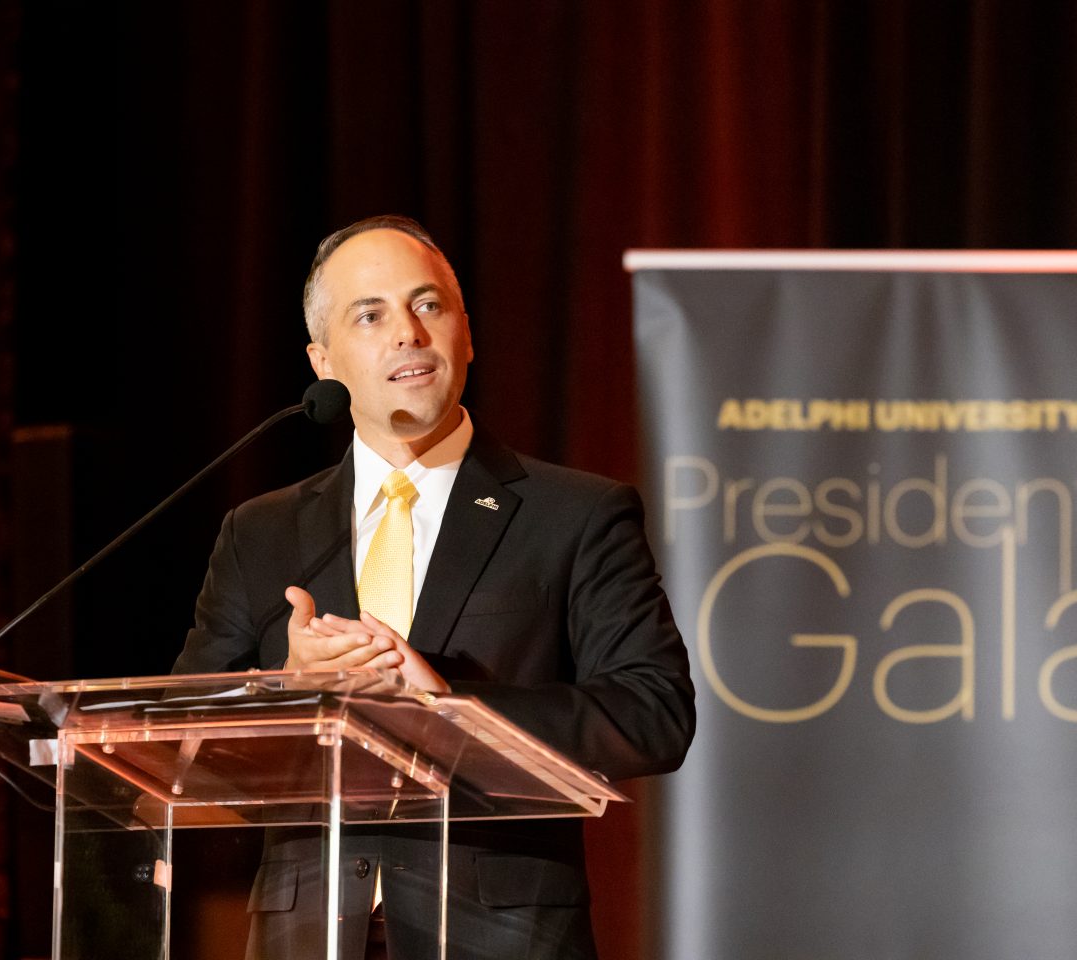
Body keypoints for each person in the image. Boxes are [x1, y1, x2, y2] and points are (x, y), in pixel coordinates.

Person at [173, 215, 695, 959]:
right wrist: (285, 686)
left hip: (499, 934)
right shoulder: (261, 531)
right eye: (371, 314)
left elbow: (654, 713)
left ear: (467, 334)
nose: (408, 333)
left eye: (429, 305)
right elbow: (183, 734)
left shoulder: (574, 514)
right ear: (323, 361)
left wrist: (449, 709)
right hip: (307, 932)